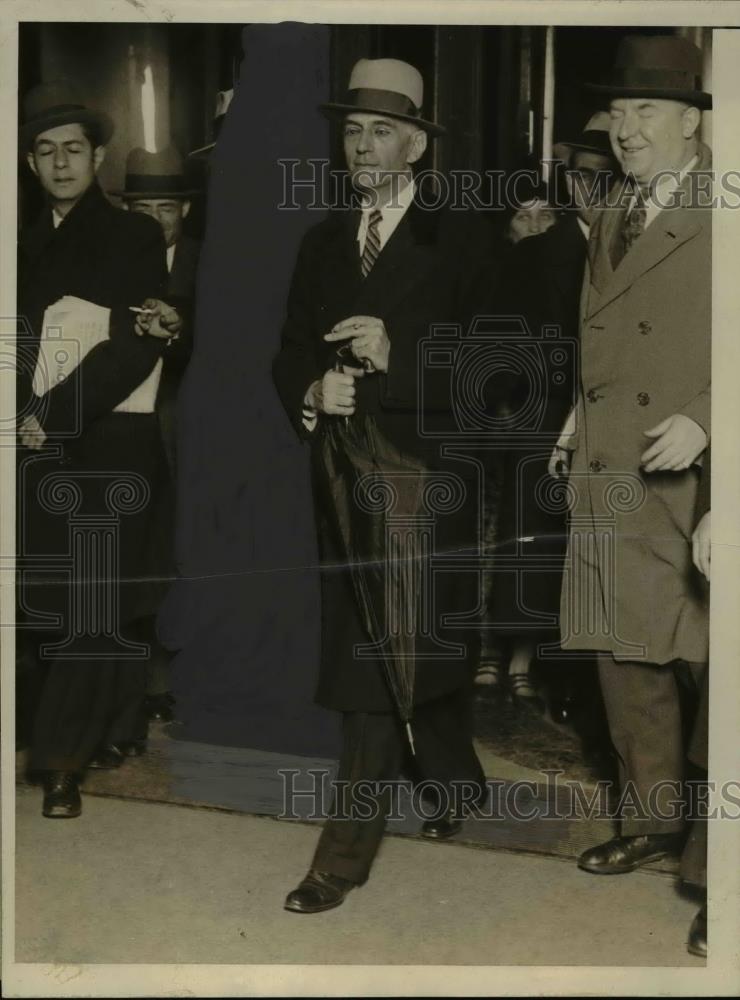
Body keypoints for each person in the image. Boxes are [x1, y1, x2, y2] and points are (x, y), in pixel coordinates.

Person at [273, 57, 493, 913]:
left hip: (427, 471)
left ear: (416, 145)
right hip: (338, 473)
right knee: (392, 636)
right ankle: (457, 784)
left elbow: (501, 363)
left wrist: (398, 359)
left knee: (380, 653)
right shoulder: (324, 239)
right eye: (352, 130)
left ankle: (341, 859)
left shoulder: (464, 235)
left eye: (382, 132)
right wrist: (309, 388)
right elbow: (291, 344)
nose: (363, 146)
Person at [552, 35, 711, 874]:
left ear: (691, 119)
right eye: (618, 111)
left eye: (646, 109)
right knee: (623, 651)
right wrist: (575, 419)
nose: (625, 126)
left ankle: (716, 852)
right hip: (610, 458)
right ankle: (654, 820)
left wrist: (711, 417)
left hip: (693, 472)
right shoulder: (614, 205)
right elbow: (598, 332)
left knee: (701, 661)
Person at [17, 80, 171, 818]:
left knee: (92, 600)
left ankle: (60, 765)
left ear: (98, 156)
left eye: (73, 150)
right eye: (44, 152)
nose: (60, 163)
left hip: (106, 438)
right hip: (31, 437)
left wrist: (56, 413)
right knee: (64, 601)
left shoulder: (132, 235)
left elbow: (137, 342)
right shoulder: (17, 234)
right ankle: (109, 726)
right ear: (28, 161)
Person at [113, 146, 201, 723]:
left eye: (164, 207)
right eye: (141, 206)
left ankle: (168, 676)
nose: (153, 219)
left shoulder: (206, 263)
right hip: (123, 423)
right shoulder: (112, 256)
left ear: (185, 210)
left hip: (185, 424)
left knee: (180, 546)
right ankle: (134, 681)